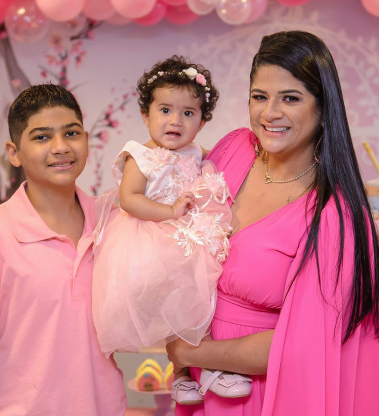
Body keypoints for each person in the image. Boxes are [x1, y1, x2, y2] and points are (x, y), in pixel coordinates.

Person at [166, 30, 379, 415]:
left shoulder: (331, 215)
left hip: (262, 395)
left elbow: (304, 345)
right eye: (260, 97)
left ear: (323, 109)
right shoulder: (233, 149)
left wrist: (192, 352)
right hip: (199, 388)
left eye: (290, 98)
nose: (270, 113)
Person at [0, 84, 127, 415]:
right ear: (14, 153)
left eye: (71, 133)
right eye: (41, 137)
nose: (61, 147)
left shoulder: (112, 222)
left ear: (85, 140)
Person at [91, 55, 250, 405]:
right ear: (146, 115)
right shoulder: (140, 156)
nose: (175, 120)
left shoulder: (196, 152)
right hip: (151, 238)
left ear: (202, 122)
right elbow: (129, 199)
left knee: (203, 302)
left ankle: (196, 371)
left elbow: (220, 170)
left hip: (189, 237)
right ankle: (183, 370)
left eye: (188, 113)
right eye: (165, 110)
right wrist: (170, 212)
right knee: (175, 304)